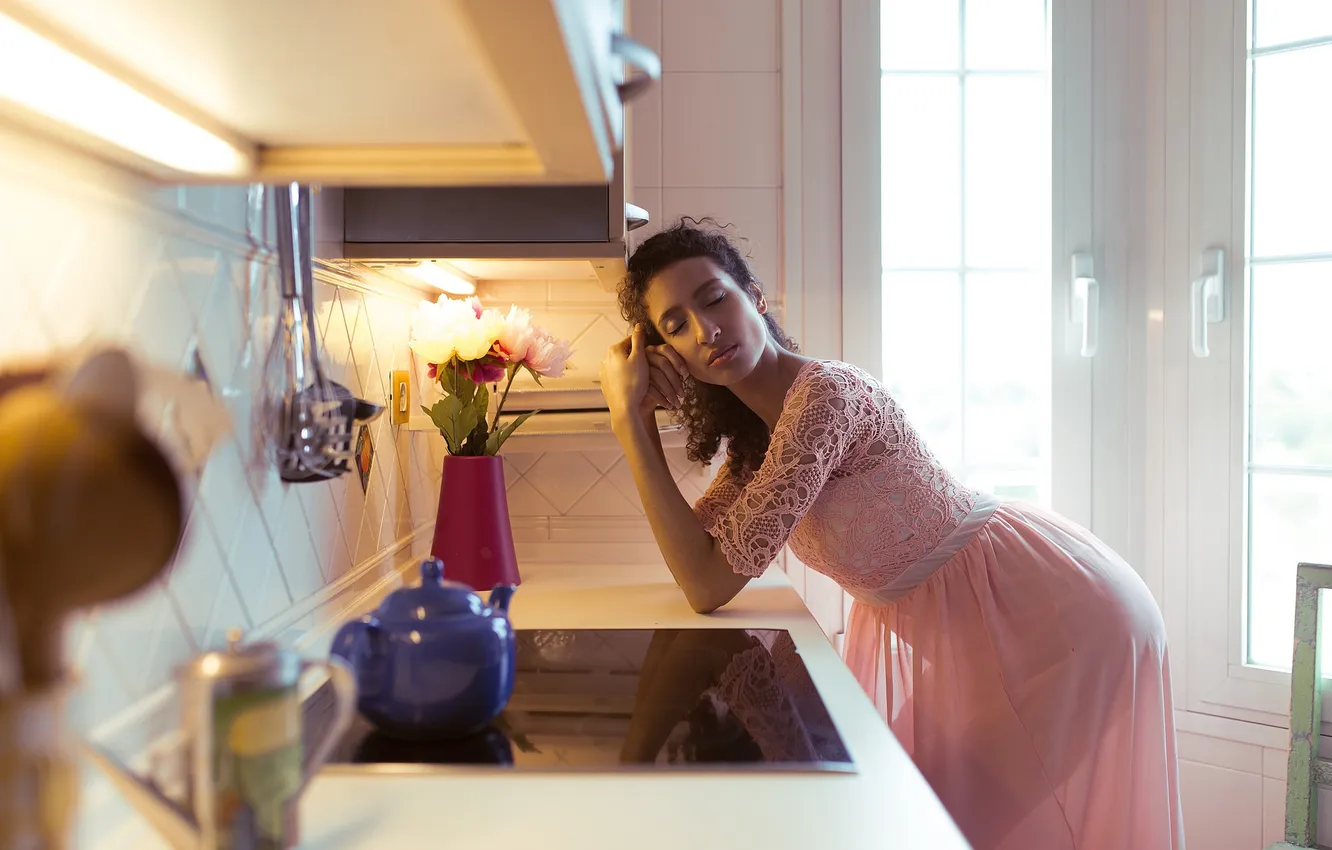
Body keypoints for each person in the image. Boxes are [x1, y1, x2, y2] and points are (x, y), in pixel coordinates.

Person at [599, 218, 1185, 850]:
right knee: (907, 824)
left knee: (921, 829)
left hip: (1063, 620)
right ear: (665, 356)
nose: (705, 330)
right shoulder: (757, 444)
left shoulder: (825, 395)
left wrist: (627, 423)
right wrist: (633, 411)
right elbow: (697, 563)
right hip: (989, 631)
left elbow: (707, 582)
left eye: (714, 299)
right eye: (675, 325)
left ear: (755, 298)